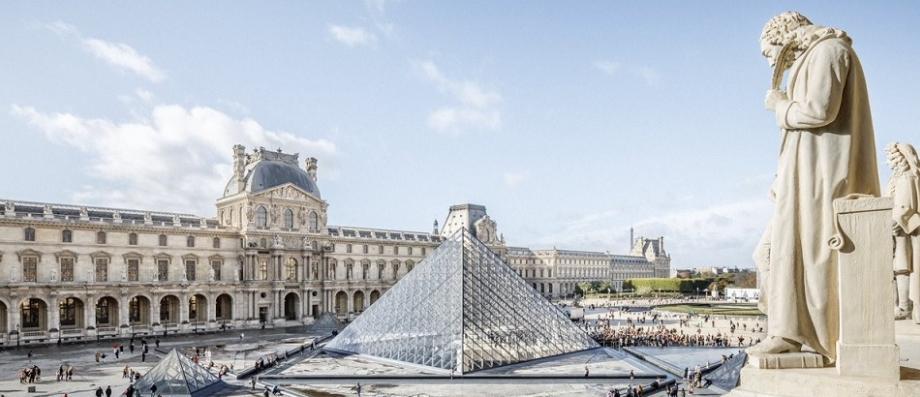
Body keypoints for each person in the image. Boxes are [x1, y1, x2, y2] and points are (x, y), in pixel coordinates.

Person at [752, 11, 879, 360]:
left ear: (785, 35)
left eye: (770, 52)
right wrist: (782, 176)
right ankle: (788, 330)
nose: (773, 61)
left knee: (805, 253)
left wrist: (779, 106)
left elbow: (819, 111)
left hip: (821, 174)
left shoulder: (829, 50)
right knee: (782, 252)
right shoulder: (816, 55)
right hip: (804, 173)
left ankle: (798, 334)